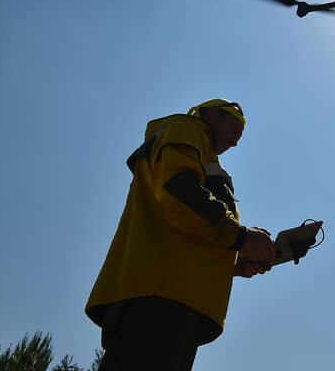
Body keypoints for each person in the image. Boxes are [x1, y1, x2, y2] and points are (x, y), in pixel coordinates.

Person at [85, 98, 276, 370]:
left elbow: (184, 230)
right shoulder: (186, 131)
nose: (236, 140)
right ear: (209, 113)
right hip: (162, 301)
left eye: (240, 136)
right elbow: (181, 196)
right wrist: (242, 238)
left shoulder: (200, 151)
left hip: (173, 299)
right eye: (234, 126)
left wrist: (234, 263)